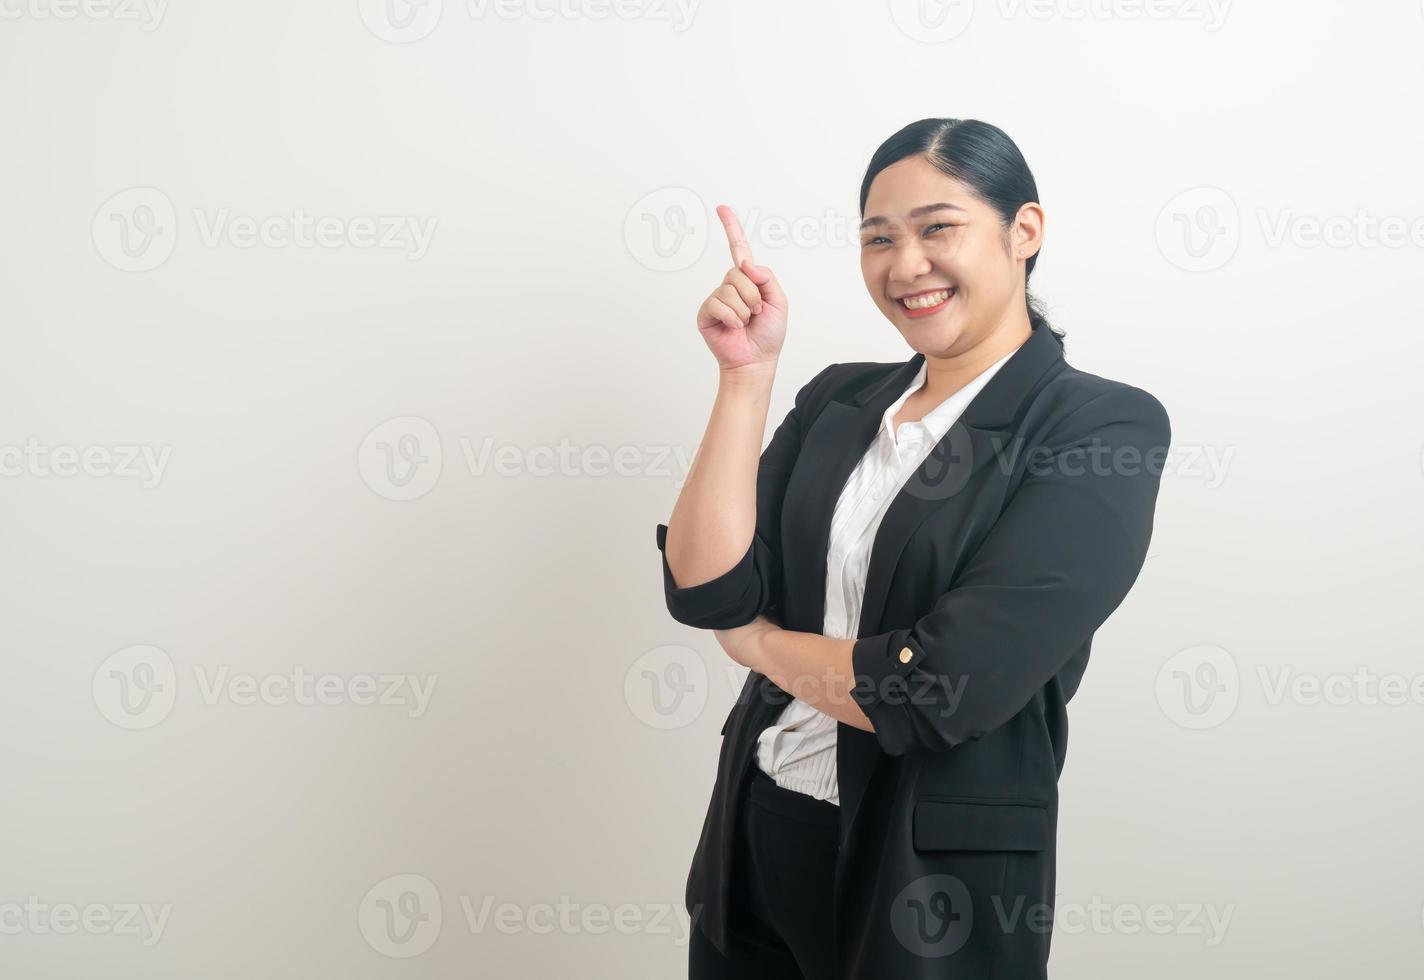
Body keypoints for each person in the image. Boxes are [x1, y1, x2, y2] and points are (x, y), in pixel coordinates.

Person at [657, 117, 1171, 979]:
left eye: (939, 228)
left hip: (926, 885)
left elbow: (938, 689)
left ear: (1024, 231)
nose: (905, 266)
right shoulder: (838, 401)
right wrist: (745, 378)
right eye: (877, 238)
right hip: (750, 845)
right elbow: (707, 590)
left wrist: (759, 646)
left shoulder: (1098, 426)